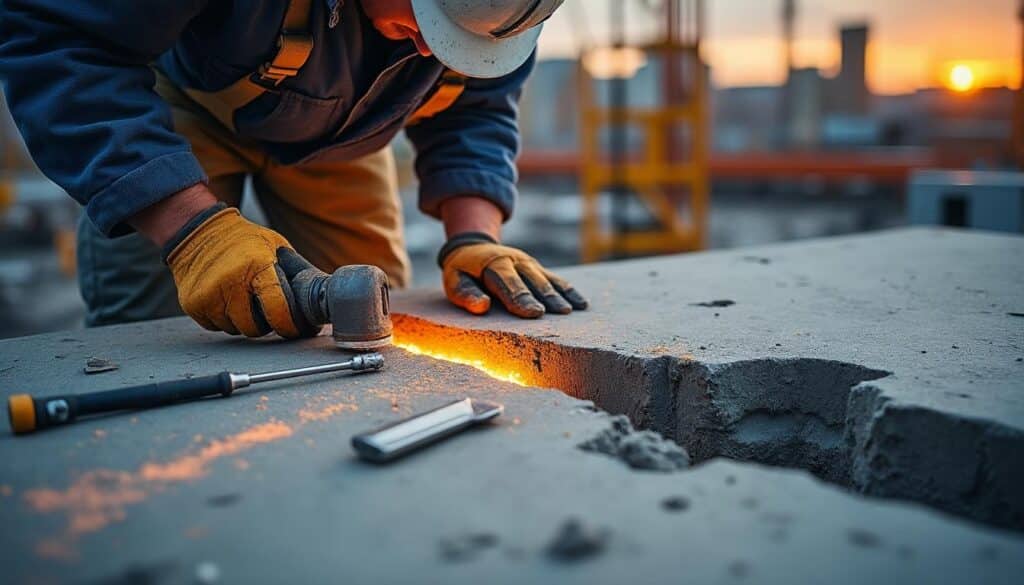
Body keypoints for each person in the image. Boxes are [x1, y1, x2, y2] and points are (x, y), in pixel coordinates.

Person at [0, 0, 587, 340]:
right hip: (179, 121)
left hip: (343, 144)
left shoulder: (492, 19)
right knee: (158, 339)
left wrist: (474, 236)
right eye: (429, 24)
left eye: (460, 43)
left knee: (375, 328)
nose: (433, 53)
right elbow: (62, 42)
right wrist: (192, 232)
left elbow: (474, 111)